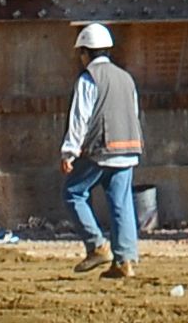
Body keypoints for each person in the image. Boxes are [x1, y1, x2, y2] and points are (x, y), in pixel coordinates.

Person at [58, 21, 145, 277]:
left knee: (72, 192)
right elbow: (134, 112)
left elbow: (79, 117)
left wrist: (69, 152)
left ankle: (96, 245)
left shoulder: (88, 79)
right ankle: (125, 261)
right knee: (121, 203)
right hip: (129, 148)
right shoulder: (126, 78)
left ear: (85, 52)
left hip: (102, 149)